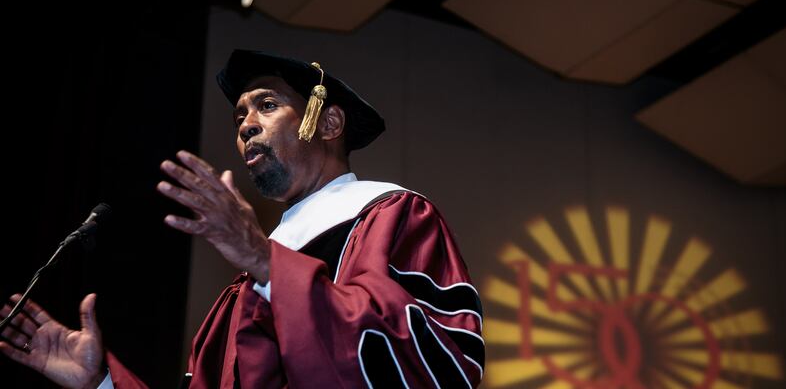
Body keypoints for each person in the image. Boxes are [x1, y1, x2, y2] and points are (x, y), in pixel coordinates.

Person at [0, 51, 484, 388]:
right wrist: (101, 382)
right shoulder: (251, 279)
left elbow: (430, 365)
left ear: (330, 123)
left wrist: (264, 260)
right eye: (239, 118)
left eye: (267, 106)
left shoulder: (392, 215)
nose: (247, 124)